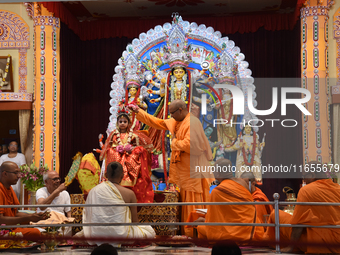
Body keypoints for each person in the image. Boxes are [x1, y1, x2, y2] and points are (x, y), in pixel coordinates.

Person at [128, 99, 215, 225]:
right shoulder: (178, 120)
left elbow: (193, 146)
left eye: (172, 113)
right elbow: (159, 123)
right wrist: (139, 112)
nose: (171, 116)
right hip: (185, 170)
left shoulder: (192, 123)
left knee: (193, 201)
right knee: (185, 200)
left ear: (181, 110)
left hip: (193, 171)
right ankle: (185, 230)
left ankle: (194, 232)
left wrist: (174, 143)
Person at [264, 161, 340, 253]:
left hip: (320, 243)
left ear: (312, 175)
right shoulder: (338, 188)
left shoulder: (306, 190)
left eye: (304, 176)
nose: (303, 180)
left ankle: (273, 242)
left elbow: (298, 223)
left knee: (275, 214)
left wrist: (290, 247)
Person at [83, 162, 156, 247]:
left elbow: (88, 216)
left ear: (106, 175)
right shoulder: (129, 194)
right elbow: (134, 221)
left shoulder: (94, 191)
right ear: (122, 176)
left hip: (96, 235)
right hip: (121, 236)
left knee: (83, 233)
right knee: (149, 231)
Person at [197, 158, 264, 242]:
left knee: (200, 228)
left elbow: (213, 220)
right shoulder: (243, 183)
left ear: (217, 173)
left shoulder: (217, 191)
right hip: (252, 231)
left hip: (232, 235)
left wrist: (205, 221)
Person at [100, 105, 154, 203]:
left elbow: (139, 147)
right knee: (112, 152)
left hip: (129, 155)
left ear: (129, 123)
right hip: (117, 154)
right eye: (120, 122)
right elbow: (109, 146)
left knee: (136, 153)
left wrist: (131, 149)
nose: (122, 124)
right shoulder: (114, 134)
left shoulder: (133, 135)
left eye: (125, 122)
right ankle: (116, 177)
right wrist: (117, 148)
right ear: (117, 123)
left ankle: (129, 179)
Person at [0, 162, 49, 239]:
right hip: (3, 231)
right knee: (37, 233)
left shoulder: (9, 189)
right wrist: (28, 218)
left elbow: (15, 213)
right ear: (5, 174)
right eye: (15, 173)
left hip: (12, 228)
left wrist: (35, 216)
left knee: (42, 231)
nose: (19, 176)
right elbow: (1, 220)